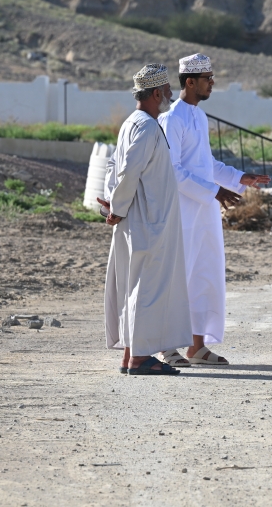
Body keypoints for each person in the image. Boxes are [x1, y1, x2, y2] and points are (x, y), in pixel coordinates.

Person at [158, 53, 270, 367]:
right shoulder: (172, 118)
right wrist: (215, 191)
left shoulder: (199, 116)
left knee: (204, 276)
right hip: (181, 214)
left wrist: (238, 178)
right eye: (207, 78)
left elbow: (207, 165)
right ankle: (167, 347)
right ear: (189, 82)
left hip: (204, 213)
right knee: (179, 277)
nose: (212, 83)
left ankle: (197, 346)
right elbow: (174, 170)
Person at [102, 64, 191, 376]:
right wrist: (117, 208)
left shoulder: (133, 122)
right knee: (147, 290)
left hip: (142, 220)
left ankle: (131, 355)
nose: (169, 95)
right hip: (147, 222)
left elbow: (115, 167)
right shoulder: (148, 126)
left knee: (137, 288)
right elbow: (128, 171)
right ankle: (140, 358)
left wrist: (113, 204)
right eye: (166, 90)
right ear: (156, 93)